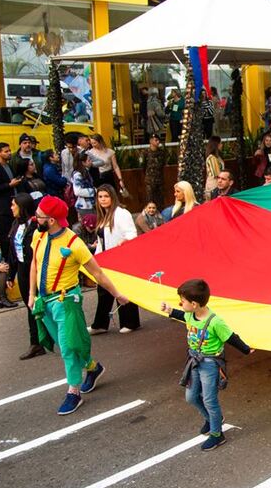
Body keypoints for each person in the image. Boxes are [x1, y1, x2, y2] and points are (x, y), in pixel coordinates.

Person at [28, 195, 127, 415]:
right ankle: (93, 367)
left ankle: (73, 391)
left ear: (51, 219)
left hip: (66, 302)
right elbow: (34, 265)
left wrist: (117, 293)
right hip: (45, 302)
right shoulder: (38, 235)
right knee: (65, 344)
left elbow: (97, 273)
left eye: (40, 215)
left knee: (68, 347)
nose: (36, 218)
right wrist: (32, 294)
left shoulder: (74, 243)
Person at [161, 278, 253, 451]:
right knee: (191, 397)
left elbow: (231, 337)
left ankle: (217, 434)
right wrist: (170, 311)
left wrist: (246, 349)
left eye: (183, 301)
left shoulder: (215, 322)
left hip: (210, 364)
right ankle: (211, 419)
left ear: (194, 304)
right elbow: (183, 316)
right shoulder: (190, 314)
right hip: (194, 360)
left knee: (210, 400)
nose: (180, 303)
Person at [88, 185, 141, 335]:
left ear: (112, 197)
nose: (103, 200)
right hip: (105, 258)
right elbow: (101, 239)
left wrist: (124, 242)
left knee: (122, 289)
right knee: (103, 290)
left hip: (120, 258)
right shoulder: (103, 215)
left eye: (106, 196)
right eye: (100, 197)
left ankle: (130, 322)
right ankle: (100, 324)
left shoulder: (121, 214)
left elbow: (131, 233)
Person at [6, 193, 44, 359]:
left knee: (44, 303)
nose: (11, 208)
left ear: (22, 207)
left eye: (14, 205)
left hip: (37, 270)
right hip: (22, 270)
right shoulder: (15, 224)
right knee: (30, 306)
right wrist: (10, 275)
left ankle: (47, 337)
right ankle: (36, 343)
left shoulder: (36, 225)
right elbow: (12, 251)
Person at [0, 142, 22, 244]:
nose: (9, 153)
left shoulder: (8, 165)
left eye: (9, 151)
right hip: (3, 208)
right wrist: (9, 185)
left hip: (13, 204)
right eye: (6, 151)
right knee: (5, 234)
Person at [71, 151, 97, 222]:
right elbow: (77, 191)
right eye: (88, 160)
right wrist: (93, 191)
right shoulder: (78, 175)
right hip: (84, 206)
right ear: (83, 163)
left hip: (90, 204)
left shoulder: (86, 172)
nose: (90, 162)